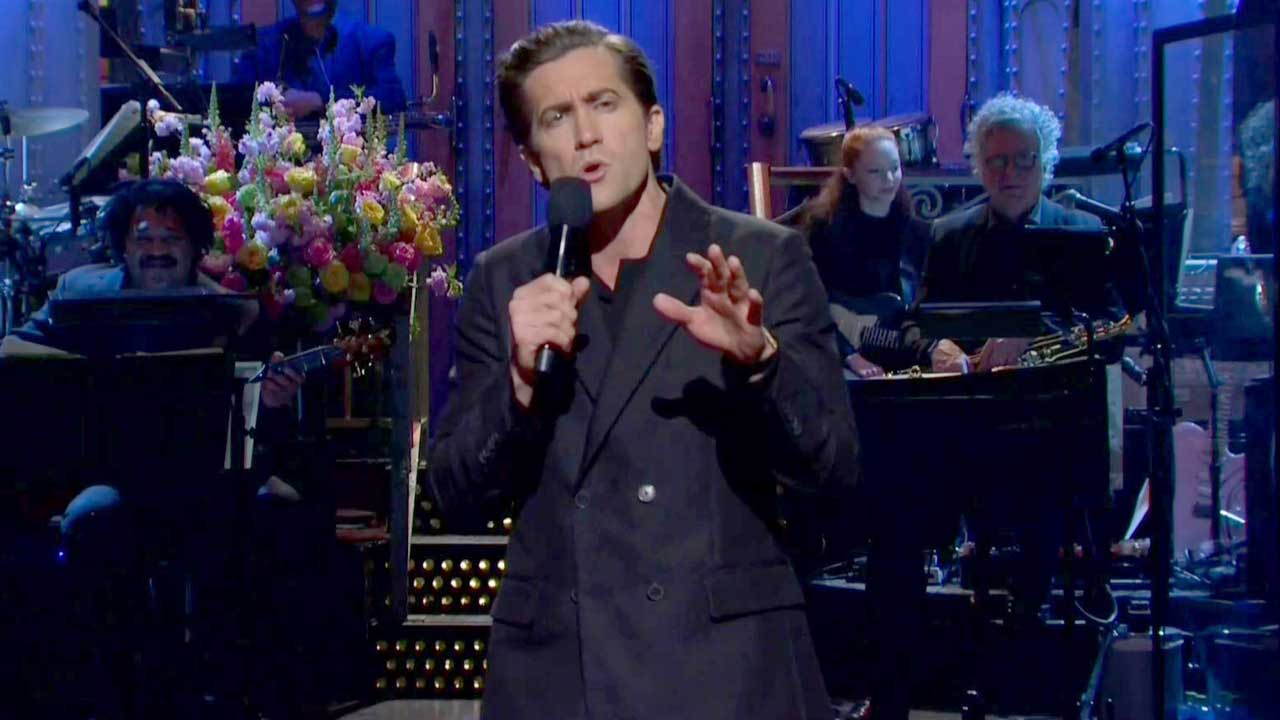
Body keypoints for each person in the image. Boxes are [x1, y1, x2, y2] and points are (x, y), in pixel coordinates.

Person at [427, 20, 858, 720]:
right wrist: (519, 387)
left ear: (653, 125)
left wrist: (761, 364)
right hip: (561, 678)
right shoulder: (503, 279)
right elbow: (455, 495)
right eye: (556, 117)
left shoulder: (759, 257)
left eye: (604, 104)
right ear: (533, 161)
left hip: (725, 673)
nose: (585, 135)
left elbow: (835, 471)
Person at [3, 180, 318, 719]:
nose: (155, 249)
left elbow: (267, 423)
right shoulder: (81, 297)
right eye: (143, 236)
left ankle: (236, 690)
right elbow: (15, 349)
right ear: (122, 246)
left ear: (194, 248)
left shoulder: (231, 311)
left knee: (273, 512)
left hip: (211, 483)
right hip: (111, 480)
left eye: (171, 239)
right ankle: (112, 692)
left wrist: (272, 403)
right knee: (91, 520)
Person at [803, 126, 931, 379]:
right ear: (850, 175)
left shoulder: (916, 231)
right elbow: (808, 302)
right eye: (875, 171)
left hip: (897, 351)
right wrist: (849, 355)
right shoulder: (823, 228)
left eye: (895, 168)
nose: (889, 179)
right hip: (838, 353)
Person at [233, 0, 407, 119]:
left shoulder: (371, 41)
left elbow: (393, 98)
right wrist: (274, 104)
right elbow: (235, 102)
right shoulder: (265, 44)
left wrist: (319, 101)